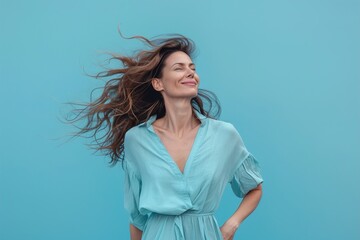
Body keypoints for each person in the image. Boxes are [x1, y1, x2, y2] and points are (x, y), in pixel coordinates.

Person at [70, 33, 263, 240]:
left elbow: (254, 187)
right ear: (158, 84)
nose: (190, 73)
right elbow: (136, 216)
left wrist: (231, 225)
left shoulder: (224, 135)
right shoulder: (137, 139)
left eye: (192, 68)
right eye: (179, 68)